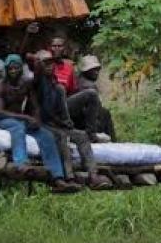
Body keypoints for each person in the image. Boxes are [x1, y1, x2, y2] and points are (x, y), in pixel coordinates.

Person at [0, 54, 78, 192]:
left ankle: (57, 178)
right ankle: (21, 162)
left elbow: (35, 105)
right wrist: (26, 118)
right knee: (18, 127)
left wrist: (36, 119)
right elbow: (0, 112)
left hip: (22, 118)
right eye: (11, 69)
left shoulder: (25, 84)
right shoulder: (0, 85)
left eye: (16, 68)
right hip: (5, 119)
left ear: (21, 69)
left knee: (47, 135)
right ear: (6, 70)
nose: (13, 71)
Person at [34, 50, 113, 190]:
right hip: (44, 124)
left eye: (51, 63)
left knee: (81, 135)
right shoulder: (37, 82)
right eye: (45, 63)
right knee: (61, 137)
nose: (49, 66)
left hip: (59, 123)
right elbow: (44, 111)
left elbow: (62, 108)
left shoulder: (56, 85)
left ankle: (93, 176)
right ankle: (68, 177)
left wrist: (67, 121)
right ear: (38, 65)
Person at [49, 37, 112, 141]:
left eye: (59, 46)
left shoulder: (69, 68)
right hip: (50, 106)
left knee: (92, 96)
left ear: (64, 48)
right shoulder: (46, 65)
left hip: (65, 105)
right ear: (49, 48)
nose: (56, 49)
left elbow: (73, 91)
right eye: (54, 46)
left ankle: (91, 133)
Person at [77, 54, 117, 141]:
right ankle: (113, 142)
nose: (96, 72)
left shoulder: (80, 81)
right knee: (105, 113)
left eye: (97, 69)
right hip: (84, 122)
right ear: (86, 71)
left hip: (84, 120)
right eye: (93, 70)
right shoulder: (88, 86)